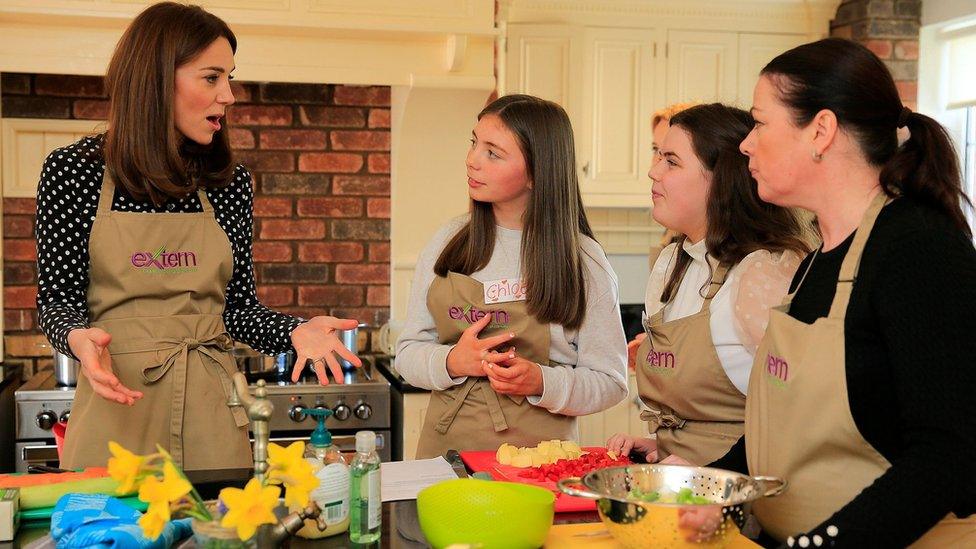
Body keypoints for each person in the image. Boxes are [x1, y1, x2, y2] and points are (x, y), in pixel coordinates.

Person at [36, 2, 360, 470]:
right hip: (116, 412)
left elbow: (238, 311)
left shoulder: (229, 184)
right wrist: (74, 336)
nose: (228, 95)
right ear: (155, 81)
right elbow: (56, 300)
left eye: (229, 77)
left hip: (215, 416)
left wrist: (294, 331)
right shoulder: (76, 172)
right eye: (211, 77)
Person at [731, 38, 976, 547]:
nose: (745, 143)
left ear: (820, 130)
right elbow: (786, 429)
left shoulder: (919, 249)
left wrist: (817, 545)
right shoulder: (820, 257)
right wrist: (699, 484)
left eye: (759, 122)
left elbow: (948, 454)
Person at [395, 94, 628, 458]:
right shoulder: (447, 242)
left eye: (493, 152)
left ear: (537, 172)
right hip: (444, 460)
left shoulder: (583, 261)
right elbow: (407, 352)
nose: (472, 160)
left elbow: (611, 382)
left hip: (537, 467)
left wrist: (541, 381)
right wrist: (452, 361)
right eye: (474, 143)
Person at [605, 104, 812, 467]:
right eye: (658, 157)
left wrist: (705, 466)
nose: (653, 172)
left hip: (742, 497)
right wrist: (662, 444)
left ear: (721, 178)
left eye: (671, 161)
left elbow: (802, 416)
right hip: (676, 492)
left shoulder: (764, 273)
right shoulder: (672, 264)